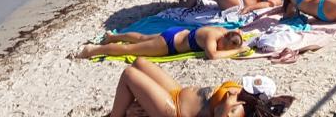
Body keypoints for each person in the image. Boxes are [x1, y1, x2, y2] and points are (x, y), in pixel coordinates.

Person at [106, 59, 293, 117]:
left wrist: (226, 107)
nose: (244, 88)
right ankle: (133, 109)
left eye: (249, 89)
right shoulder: (239, 93)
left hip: (175, 110)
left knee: (129, 75)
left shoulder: (238, 110)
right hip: (178, 93)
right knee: (139, 63)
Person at [78, 25, 248, 60]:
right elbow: (212, 55)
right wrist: (237, 51)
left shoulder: (222, 31)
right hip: (169, 44)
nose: (221, 48)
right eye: (223, 46)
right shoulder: (213, 37)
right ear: (224, 38)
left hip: (176, 32)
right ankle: (91, 50)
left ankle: (113, 37)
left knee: (141, 38)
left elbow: (238, 33)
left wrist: (237, 43)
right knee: (130, 49)